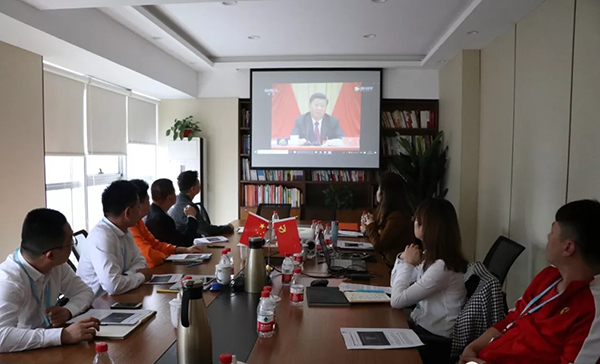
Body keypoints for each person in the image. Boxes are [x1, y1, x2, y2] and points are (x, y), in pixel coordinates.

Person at [460, 199, 600, 364]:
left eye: (553, 232)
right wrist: (473, 348)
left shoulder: (592, 309)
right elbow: (513, 317)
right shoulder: (549, 276)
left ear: (568, 248)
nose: (548, 237)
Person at [0, 209, 99, 353]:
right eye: (70, 242)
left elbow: (84, 291)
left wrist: (68, 311)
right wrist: (62, 335)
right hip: (20, 354)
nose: (72, 245)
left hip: (48, 349)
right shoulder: (8, 281)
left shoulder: (56, 266)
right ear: (50, 255)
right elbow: (2, 337)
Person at [391, 199, 468, 363]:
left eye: (418, 219)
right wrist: (402, 259)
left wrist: (407, 263)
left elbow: (397, 300)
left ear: (429, 227)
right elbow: (395, 286)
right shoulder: (431, 257)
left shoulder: (442, 267)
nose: (414, 222)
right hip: (423, 329)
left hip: (434, 341)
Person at [77, 180, 152, 297]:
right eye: (137, 207)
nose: (140, 211)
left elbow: (141, 262)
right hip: (95, 305)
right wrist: (141, 276)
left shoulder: (125, 230)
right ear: (127, 212)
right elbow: (113, 286)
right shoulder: (102, 236)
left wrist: (126, 276)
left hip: (118, 297)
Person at [129, 179, 203, 268]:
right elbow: (150, 256)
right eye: (147, 200)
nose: (149, 203)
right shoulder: (158, 218)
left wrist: (182, 250)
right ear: (138, 205)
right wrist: (167, 256)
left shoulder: (139, 221)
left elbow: (156, 244)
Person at [361, 172, 415, 267]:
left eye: (379, 188)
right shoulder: (389, 213)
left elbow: (379, 245)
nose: (377, 192)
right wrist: (368, 229)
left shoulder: (397, 217)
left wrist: (370, 225)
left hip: (391, 267)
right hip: (387, 262)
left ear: (385, 193)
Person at [169, 171, 234, 237]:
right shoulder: (190, 207)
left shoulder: (175, 201)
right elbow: (207, 230)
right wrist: (228, 228)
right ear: (193, 189)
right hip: (188, 244)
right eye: (198, 184)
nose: (200, 187)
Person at [146, 178, 199, 248]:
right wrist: (191, 217)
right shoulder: (162, 219)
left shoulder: (151, 212)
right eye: (174, 192)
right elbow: (185, 242)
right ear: (169, 198)